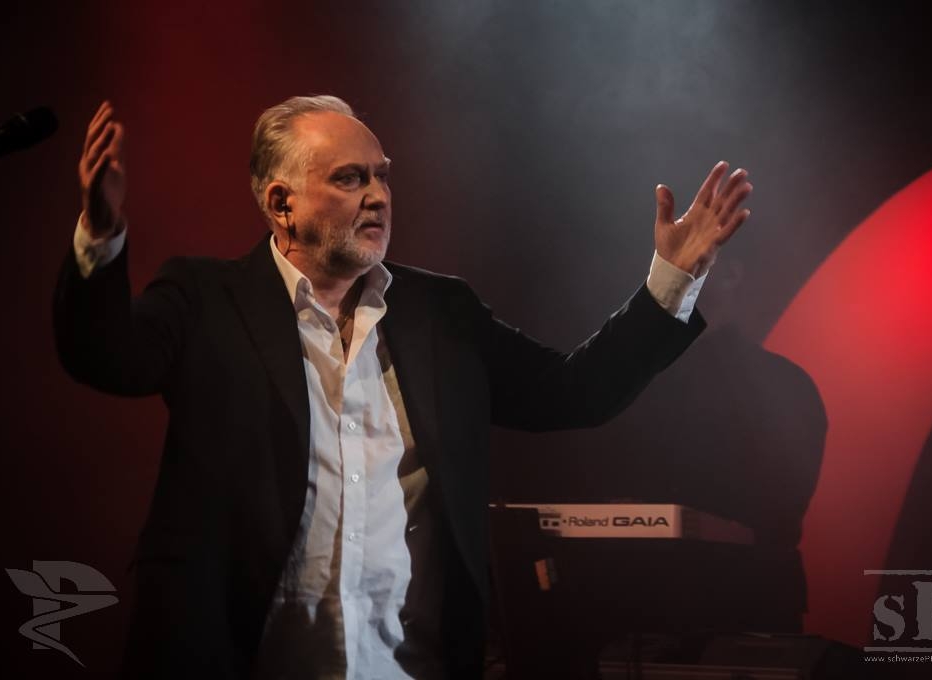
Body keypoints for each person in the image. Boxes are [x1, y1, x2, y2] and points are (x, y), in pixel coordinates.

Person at [54, 96, 752, 679]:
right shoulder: (207, 299)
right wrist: (101, 237)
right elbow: (105, 359)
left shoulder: (441, 314)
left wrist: (670, 282)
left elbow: (575, 393)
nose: (379, 196)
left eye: (383, 177)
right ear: (281, 204)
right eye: (350, 179)